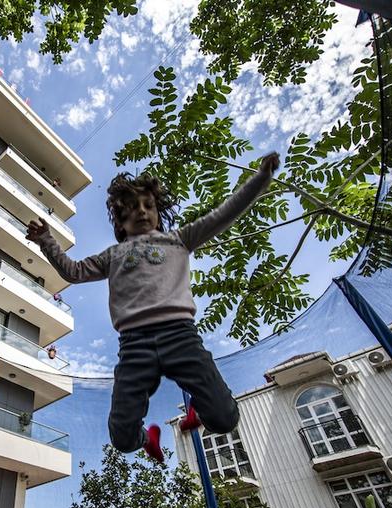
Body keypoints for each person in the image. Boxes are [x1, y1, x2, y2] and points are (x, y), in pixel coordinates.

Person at [26, 153, 279, 463]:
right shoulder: (114, 254)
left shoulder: (180, 239)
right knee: (122, 438)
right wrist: (47, 241)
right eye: (132, 208)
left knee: (224, 419)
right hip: (134, 346)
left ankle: (200, 403)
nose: (142, 212)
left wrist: (261, 178)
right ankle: (148, 438)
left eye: (148, 205)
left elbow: (223, 214)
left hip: (180, 337)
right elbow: (73, 271)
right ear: (119, 221)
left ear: (158, 211)